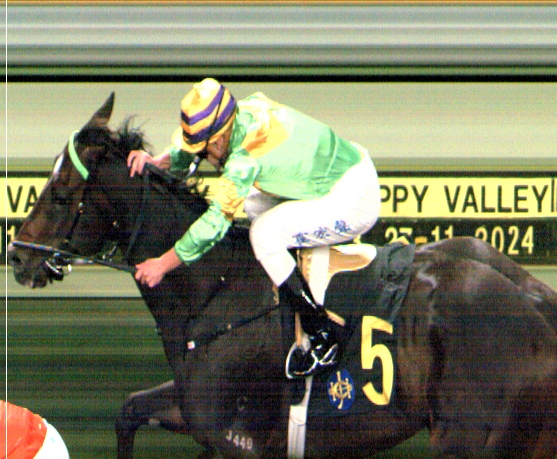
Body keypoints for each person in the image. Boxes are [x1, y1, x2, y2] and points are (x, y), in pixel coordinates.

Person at [127, 78, 381, 379]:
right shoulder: (244, 110)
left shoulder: (243, 160)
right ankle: (289, 282)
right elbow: (193, 149)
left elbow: (215, 223)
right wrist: (158, 161)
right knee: (253, 205)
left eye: (204, 152)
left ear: (218, 141)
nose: (204, 158)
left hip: (354, 199)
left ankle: (321, 335)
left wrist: (163, 263)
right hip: (347, 168)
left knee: (263, 234)